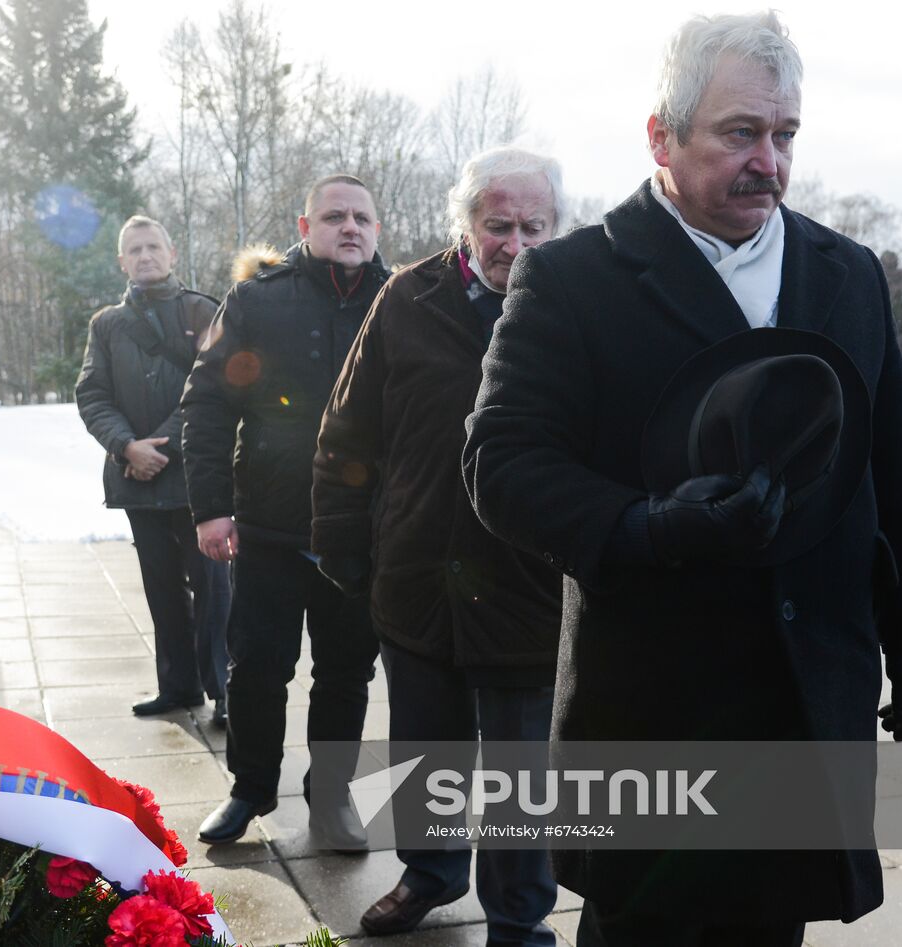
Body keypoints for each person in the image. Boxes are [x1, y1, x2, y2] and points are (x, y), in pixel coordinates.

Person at [462, 12, 902, 946]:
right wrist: (648, 525)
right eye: (740, 133)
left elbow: (894, 461)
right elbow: (501, 462)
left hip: (807, 694)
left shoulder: (846, 273)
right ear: (662, 135)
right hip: (654, 704)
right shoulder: (573, 279)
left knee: (772, 925)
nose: (769, 162)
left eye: (785, 135)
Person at [312, 148, 564, 943]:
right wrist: (343, 543)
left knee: (523, 770)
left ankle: (519, 917)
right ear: (465, 224)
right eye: (498, 225)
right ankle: (430, 873)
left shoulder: (579, 304)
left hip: (530, 583)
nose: (515, 244)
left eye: (533, 227)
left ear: (554, 228)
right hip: (418, 569)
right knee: (425, 748)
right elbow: (346, 428)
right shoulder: (406, 297)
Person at [182, 175, 389, 847]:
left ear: (377, 229)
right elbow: (207, 407)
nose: (350, 227)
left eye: (362, 217)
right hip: (268, 528)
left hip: (359, 534)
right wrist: (211, 509)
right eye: (334, 216)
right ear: (305, 227)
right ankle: (250, 788)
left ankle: (330, 799)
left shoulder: (400, 302)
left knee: (345, 674)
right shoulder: (256, 302)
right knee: (257, 667)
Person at [75, 216, 230, 727]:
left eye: (153, 247)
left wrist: (158, 446)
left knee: (215, 591)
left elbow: (216, 389)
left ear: (172, 252)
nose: (145, 256)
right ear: (122, 261)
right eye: (134, 250)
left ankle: (226, 691)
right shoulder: (106, 324)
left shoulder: (202, 310)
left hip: (197, 479)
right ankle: (179, 686)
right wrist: (127, 447)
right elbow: (92, 394)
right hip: (136, 479)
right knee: (161, 589)